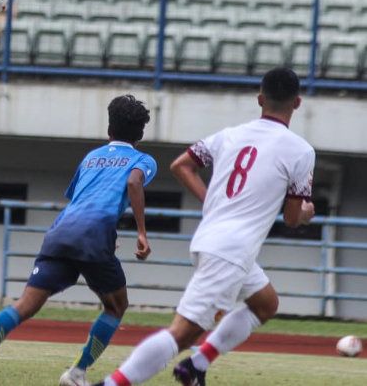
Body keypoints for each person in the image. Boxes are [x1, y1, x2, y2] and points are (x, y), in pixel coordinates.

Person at [96, 68, 316, 386]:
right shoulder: (301, 151)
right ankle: (111, 384)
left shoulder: (229, 134)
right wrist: (307, 211)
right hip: (231, 251)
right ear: (297, 103)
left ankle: (196, 366)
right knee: (181, 334)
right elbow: (293, 218)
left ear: (259, 98)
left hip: (213, 240)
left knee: (266, 303)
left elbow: (182, 165)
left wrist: (211, 200)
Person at [0, 95, 158, 386]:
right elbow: (134, 182)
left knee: (25, 304)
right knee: (116, 306)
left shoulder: (91, 157)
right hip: (94, 234)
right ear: (140, 134)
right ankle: (76, 373)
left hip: (62, 230)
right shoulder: (142, 159)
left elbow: (79, 200)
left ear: (109, 130)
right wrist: (141, 232)